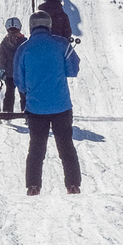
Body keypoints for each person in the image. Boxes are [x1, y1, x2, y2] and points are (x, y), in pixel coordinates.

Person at [13, 11, 82, 195]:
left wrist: (30, 89)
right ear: (49, 24)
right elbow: (73, 70)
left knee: (36, 148)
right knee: (66, 146)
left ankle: (33, 186)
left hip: (36, 108)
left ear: (31, 26)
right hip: (61, 106)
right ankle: (73, 184)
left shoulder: (23, 49)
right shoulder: (61, 44)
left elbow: (19, 81)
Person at [0, 17, 27, 113]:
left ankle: (7, 111)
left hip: (9, 73)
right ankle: (27, 111)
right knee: (24, 93)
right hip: (23, 73)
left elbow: (2, 57)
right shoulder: (25, 41)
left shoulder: (4, 42)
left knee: (9, 92)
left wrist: (2, 69)